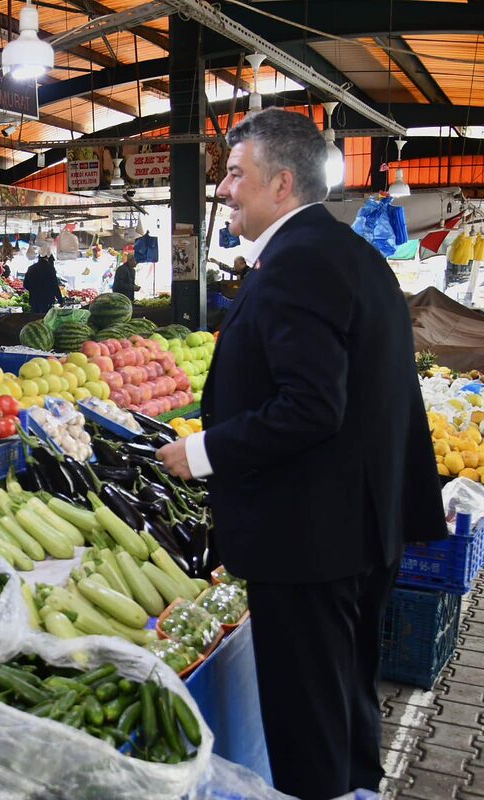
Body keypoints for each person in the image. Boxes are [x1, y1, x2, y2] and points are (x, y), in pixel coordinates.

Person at [154, 108, 444, 800]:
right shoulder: (350, 254)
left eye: (233, 174)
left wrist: (200, 453)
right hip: (360, 526)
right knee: (347, 699)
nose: (223, 188)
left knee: (308, 725)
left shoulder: (298, 263)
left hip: (311, 538)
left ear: (281, 184)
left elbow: (312, 406)